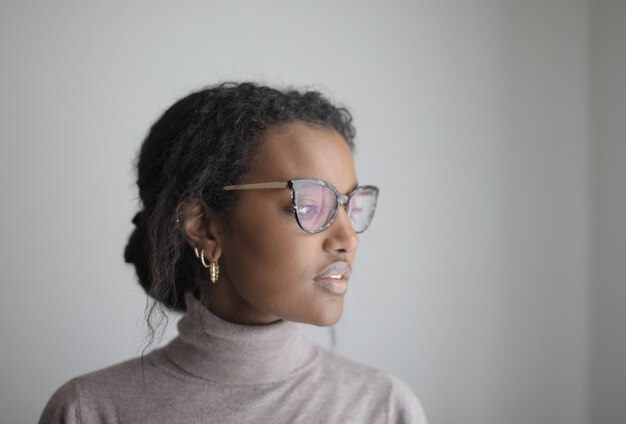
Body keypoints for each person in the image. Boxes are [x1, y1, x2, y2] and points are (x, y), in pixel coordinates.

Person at [39, 82, 428, 423]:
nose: (348, 238)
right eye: (308, 206)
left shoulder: (383, 409)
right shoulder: (89, 411)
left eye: (349, 205)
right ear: (204, 227)